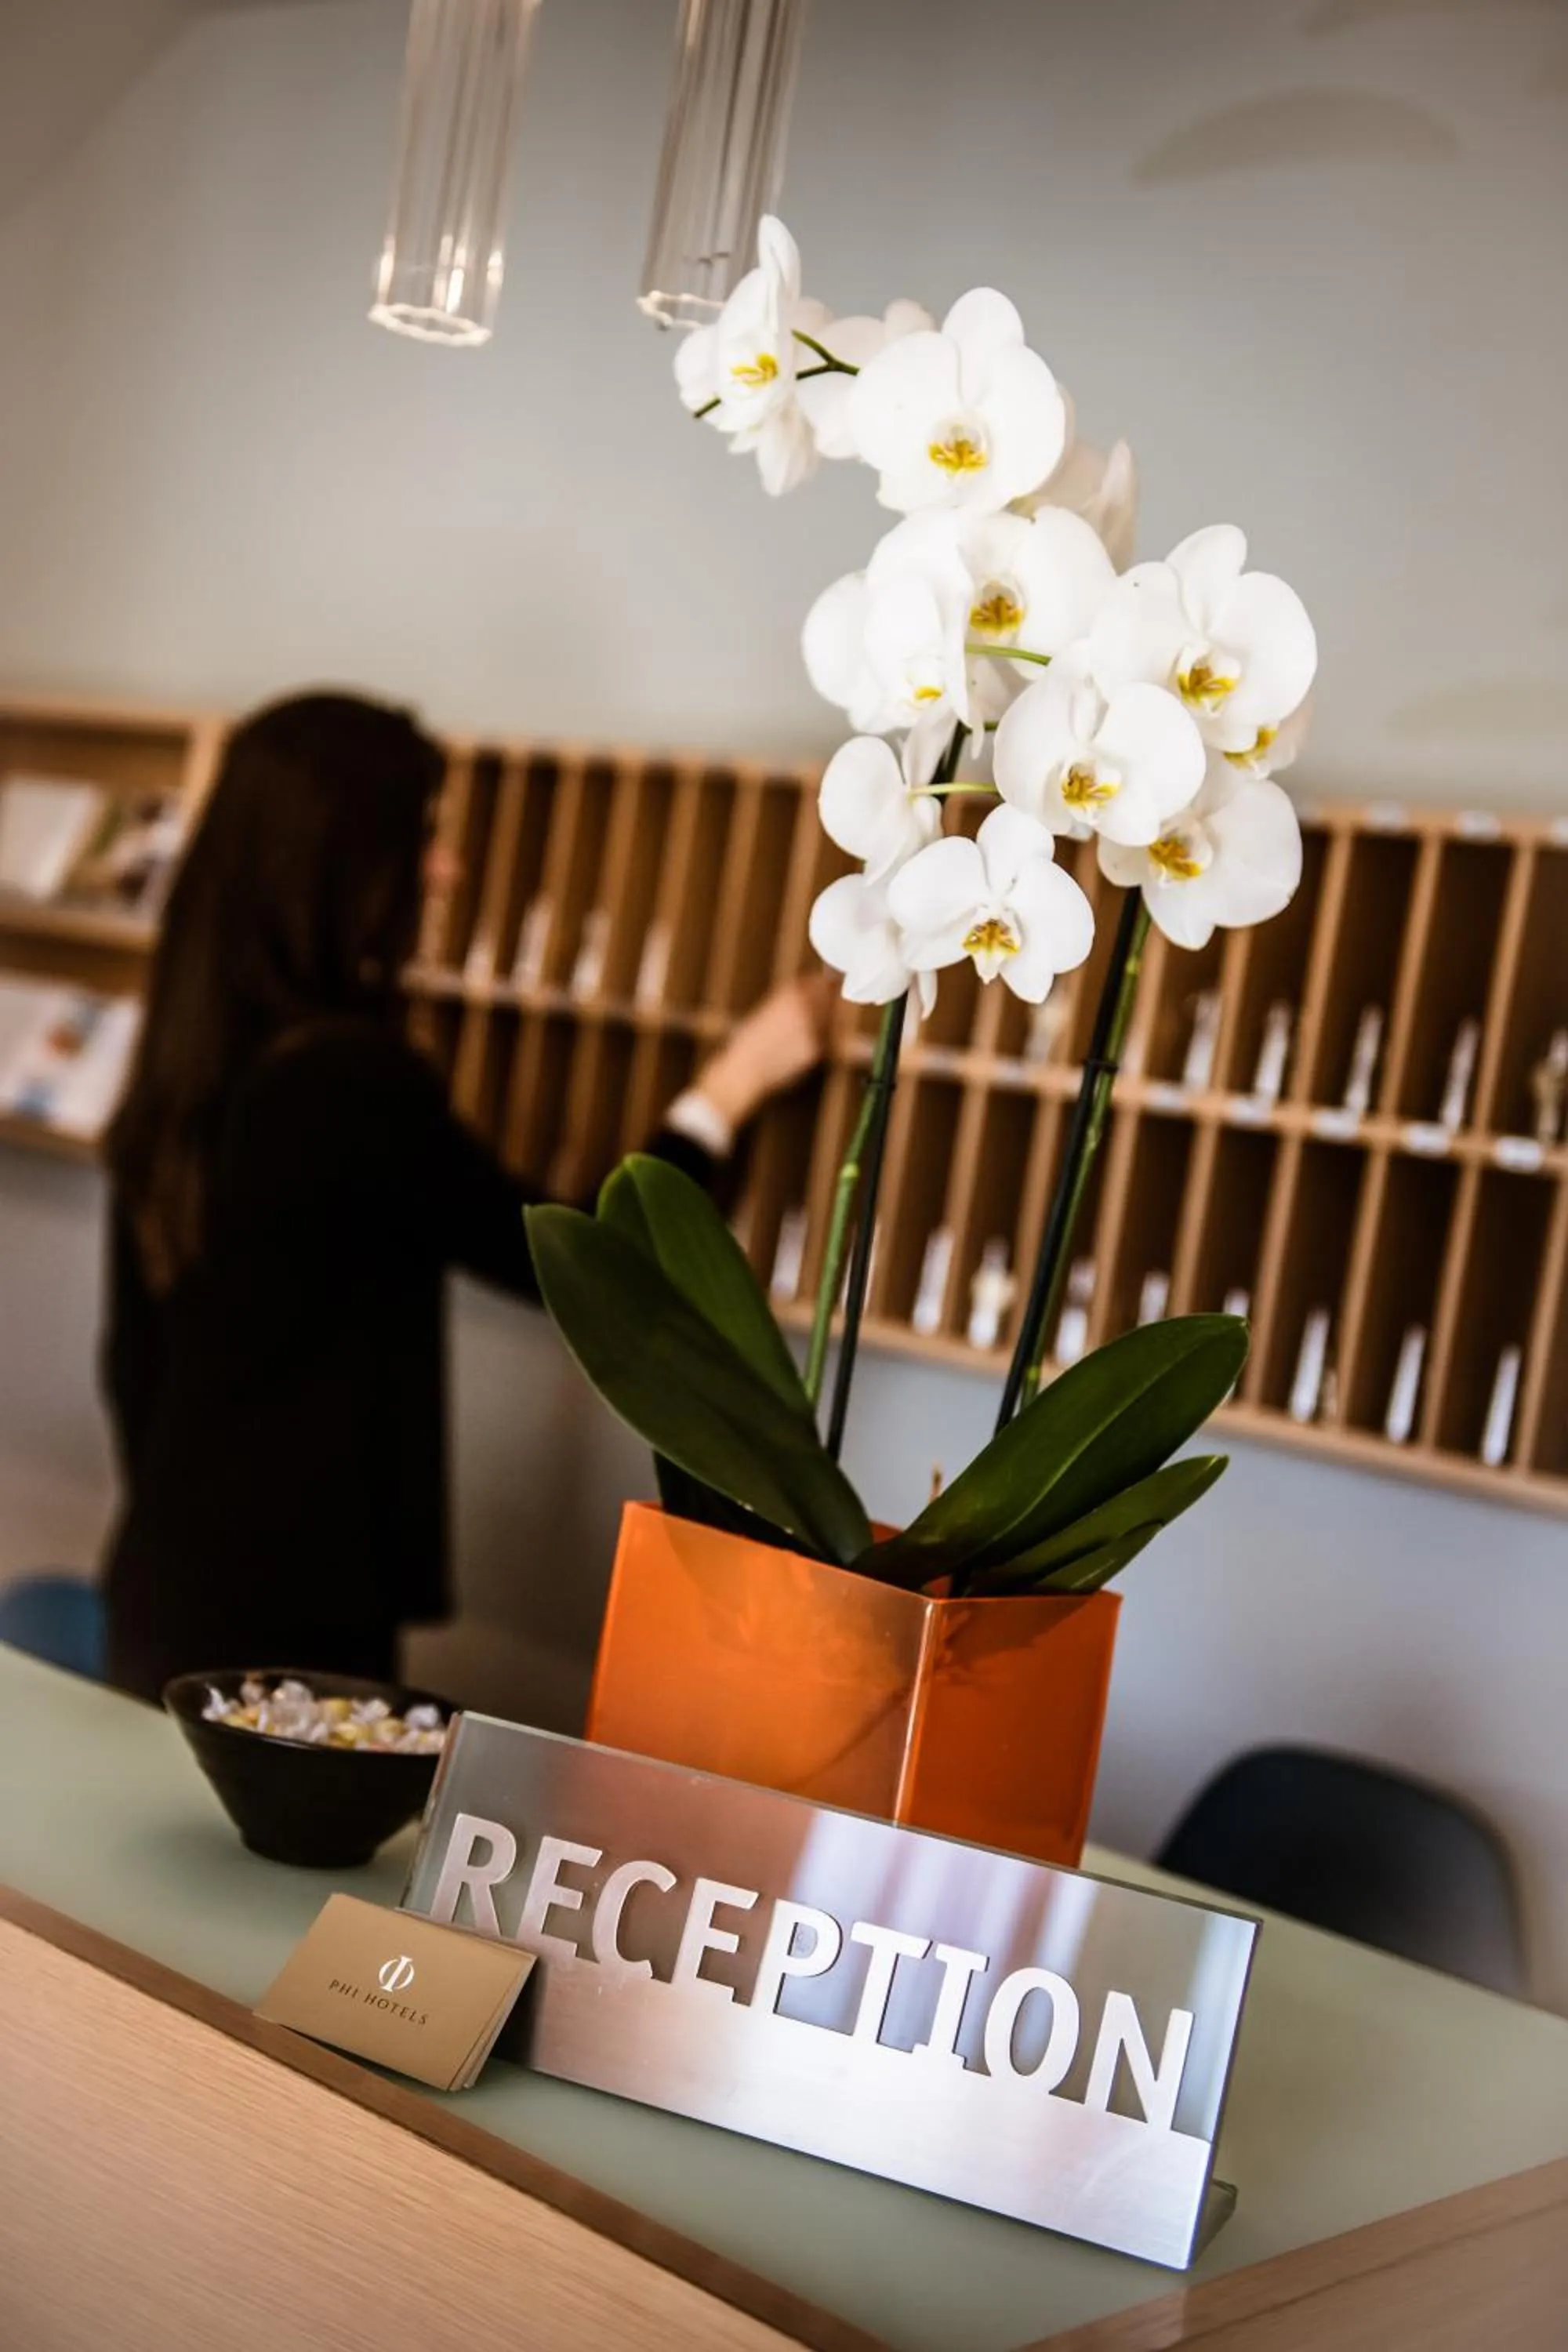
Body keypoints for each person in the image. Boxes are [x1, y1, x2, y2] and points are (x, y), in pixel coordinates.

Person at [100, 691, 826, 1701]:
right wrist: (729, 1090)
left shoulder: (186, 1057)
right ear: (344, 860)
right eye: (425, 837)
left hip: (159, 1587)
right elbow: (576, 1263)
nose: (446, 870)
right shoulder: (349, 1083)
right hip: (289, 1625)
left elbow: (127, 1364)